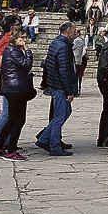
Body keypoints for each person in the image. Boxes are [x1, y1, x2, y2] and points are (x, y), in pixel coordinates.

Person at [0, 31, 33, 162]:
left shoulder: (11, 50)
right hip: (16, 88)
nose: (24, 40)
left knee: (13, 119)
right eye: (22, 37)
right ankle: (11, 149)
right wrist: (28, 52)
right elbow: (26, 65)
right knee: (18, 120)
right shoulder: (13, 51)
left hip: (14, 88)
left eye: (25, 37)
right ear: (14, 39)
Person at [38, 21, 80, 156]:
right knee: (60, 116)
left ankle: (46, 138)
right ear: (67, 31)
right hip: (60, 86)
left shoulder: (57, 43)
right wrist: (69, 91)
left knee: (64, 113)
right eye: (74, 30)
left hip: (55, 84)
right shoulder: (63, 47)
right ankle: (52, 144)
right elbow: (64, 70)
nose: (76, 33)